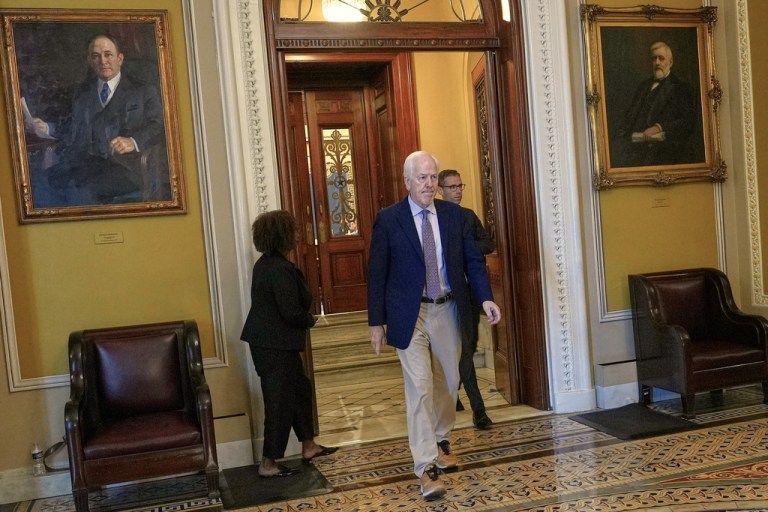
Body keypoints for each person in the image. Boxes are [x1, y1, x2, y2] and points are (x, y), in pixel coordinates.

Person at [367, 151, 501, 501]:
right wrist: (375, 322)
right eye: (423, 178)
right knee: (420, 387)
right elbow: (377, 272)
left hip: (447, 309)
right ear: (407, 181)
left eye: (433, 177)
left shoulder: (454, 217)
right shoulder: (389, 219)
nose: (429, 184)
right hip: (409, 314)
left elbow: (473, 261)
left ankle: (441, 438)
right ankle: (425, 466)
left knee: (449, 381)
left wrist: (485, 298)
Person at [240, 210, 337, 478]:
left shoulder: (267, 264)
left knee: (300, 392)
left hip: (274, 342)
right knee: (279, 402)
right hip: (274, 345)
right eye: (292, 230)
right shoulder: (278, 268)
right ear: (281, 234)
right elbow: (290, 311)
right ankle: (268, 463)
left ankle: (308, 445)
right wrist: (312, 320)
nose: (297, 234)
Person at [27, 33, 166, 207]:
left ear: (120, 58)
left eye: (108, 54)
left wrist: (133, 140)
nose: (102, 61)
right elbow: (74, 128)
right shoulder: (82, 93)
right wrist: (47, 128)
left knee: (81, 191)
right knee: (41, 181)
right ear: (90, 61)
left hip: (125, 168)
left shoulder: (143, 90)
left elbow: (158, 126)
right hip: (83, 163)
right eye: (96, 56)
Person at [437, 169, 495, 430]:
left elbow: (488, 244)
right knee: (461, 352)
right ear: (441, 190)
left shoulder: (468, 217)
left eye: (460, 185)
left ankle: (459, 393)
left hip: (468, 293)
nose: (458, 191)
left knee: (468, 346)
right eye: (452, 187)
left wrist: (467, 247)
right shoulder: (434, 219)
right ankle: (478, 409)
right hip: (441, 297)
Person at [609, 41, 700, 168]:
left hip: (663, 150)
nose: (657, 63)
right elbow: (629, 116)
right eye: (654, 59)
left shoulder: (681, 88)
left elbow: (688, 122)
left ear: (670, 62)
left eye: (661, 58)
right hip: (634, 145)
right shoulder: (643, 86)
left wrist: (659, 127)